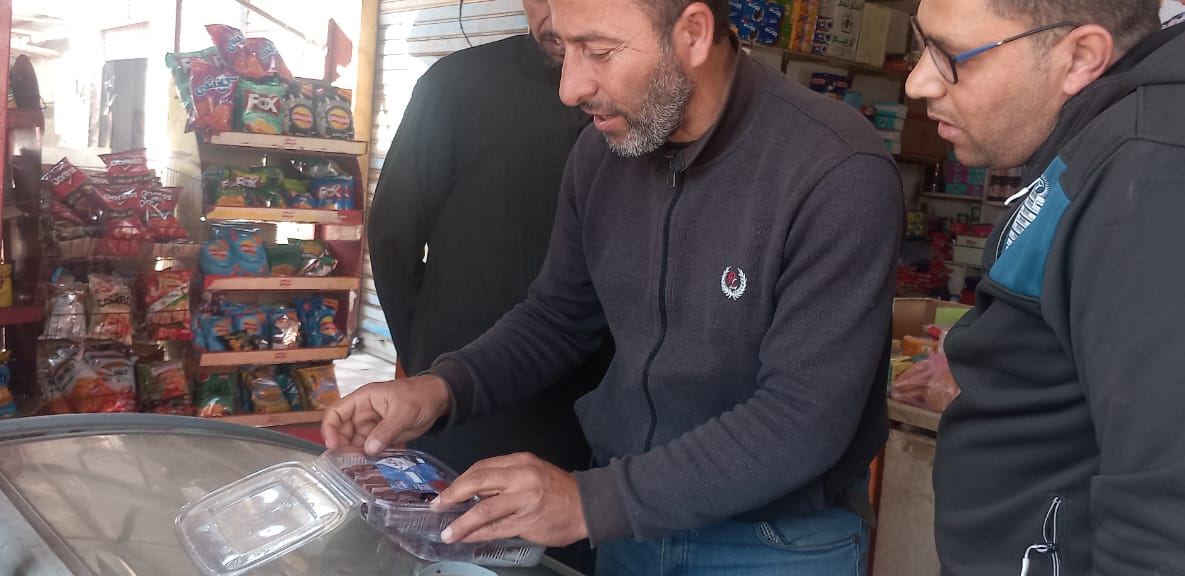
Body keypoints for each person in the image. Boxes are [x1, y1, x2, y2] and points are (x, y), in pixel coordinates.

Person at [327, 0, 903, 573]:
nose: (570, 89)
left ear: (693, 34)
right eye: (564, 49)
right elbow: (557, 317)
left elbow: (804, 417)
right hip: (629, 534)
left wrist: (591, 502)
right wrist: (440, 388)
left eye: (598, 52)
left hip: (773, 544)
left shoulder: (836, 170)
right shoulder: (601, 155)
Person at [905, 1, 1185, 574]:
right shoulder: (1111, 139)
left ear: (1081, 57)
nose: (918, 82)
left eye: (952, 56)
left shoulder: (1172, 174)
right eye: (922, 42)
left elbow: (1180, 532)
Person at [366, 0, 609, 476]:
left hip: (594, 413)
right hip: (467, 400)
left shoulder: (641, 106)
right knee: (453, 516)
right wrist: (426, 364)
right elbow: (393, 235)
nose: (556, 13)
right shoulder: (455, 87)